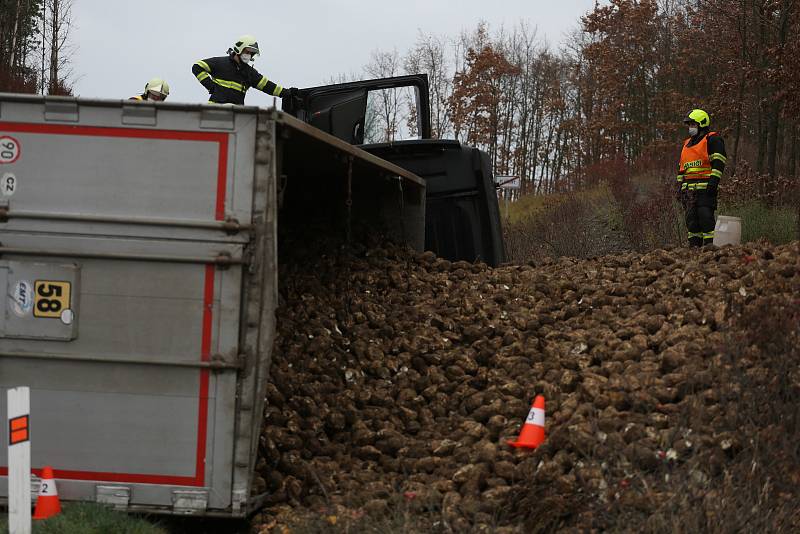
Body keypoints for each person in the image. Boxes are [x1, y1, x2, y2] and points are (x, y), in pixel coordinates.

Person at [192, 34, 298, 105]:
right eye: (247, 52)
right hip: (213, 111)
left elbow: (268, 86)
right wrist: (210, 86)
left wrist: (287, 92)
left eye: (251, 53)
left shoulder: (249, 73)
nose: (249, 55)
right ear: (239, 49)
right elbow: (197, 66)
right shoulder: (220, 63)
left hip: (237, 116)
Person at [676, 109, 726, 247]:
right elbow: (681, 169)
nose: (690, 127)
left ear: (701, 124)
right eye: (689, 124)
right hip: (688, 191)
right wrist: (679, 187)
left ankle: (710, 249)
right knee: (691, 222)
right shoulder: (686, 144)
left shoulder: (713, 140)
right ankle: (694, 250)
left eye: (693, 124)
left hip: (705, 190)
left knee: (706, 219)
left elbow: (719, 162)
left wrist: (713, 183)